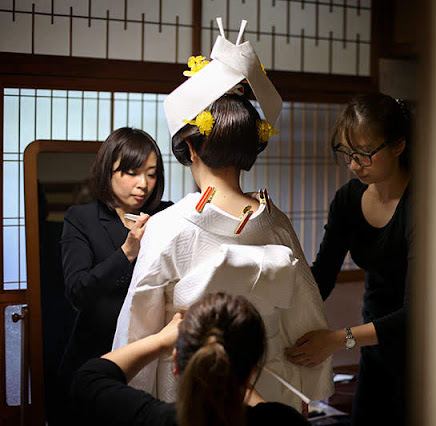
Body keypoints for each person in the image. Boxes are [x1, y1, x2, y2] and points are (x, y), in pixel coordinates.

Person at [112, 19, 333, 410]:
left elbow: (139, 327)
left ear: (192, 149)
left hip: (191, 379)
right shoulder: (276, 222)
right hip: (266, 379)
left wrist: (133, 404)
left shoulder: (167, 227)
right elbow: (306, 317)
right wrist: (309, 392)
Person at [285, 93, 413, 425]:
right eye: (347, 153)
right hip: (376, 345)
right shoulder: (348, 200)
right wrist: (279, 306)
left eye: (366, 154)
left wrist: (338, 339)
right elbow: (322, 276)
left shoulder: (421, 204)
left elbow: (419, 313)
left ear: (398, 146)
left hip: (423, 348)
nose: (355, 165)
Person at [72, 292, 310, 426]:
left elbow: (90, 378)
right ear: (251, 371)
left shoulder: (155, 419)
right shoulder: (284, 423)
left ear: (175, 362)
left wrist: (160, 341)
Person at [59, 127, 172, 407]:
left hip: (151, 353)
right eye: (132, 172)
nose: (143, 184)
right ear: (108, 171)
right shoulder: (81, 218)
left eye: (151, 173)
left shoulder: (167, 214)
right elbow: (78, 292)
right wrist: (126, 253)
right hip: (96, 355)